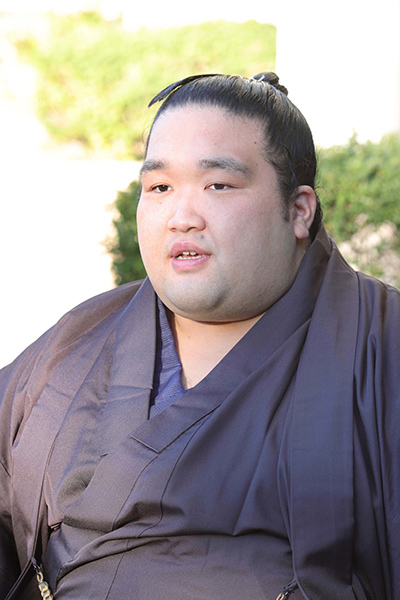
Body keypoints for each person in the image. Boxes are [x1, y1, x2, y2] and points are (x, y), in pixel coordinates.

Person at [0, 72, 399, 600]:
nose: (181, 217)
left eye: (218, 185)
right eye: (160, 188)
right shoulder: (77, 339)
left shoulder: (382, 346)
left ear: (299, 209)